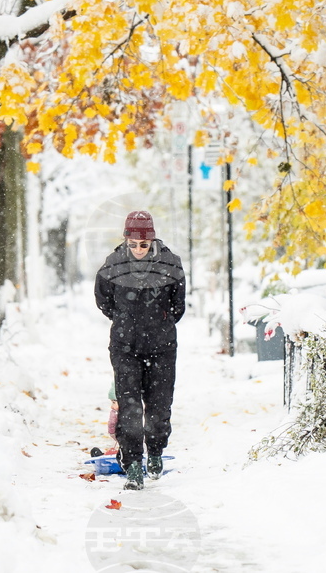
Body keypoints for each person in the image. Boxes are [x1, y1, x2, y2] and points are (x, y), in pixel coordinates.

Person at [95, 210, 186, 490]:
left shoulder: (170, 264)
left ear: (152, 240)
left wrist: (159, 321)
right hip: (125, 347)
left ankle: (156, 450)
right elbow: (103, 301)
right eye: (133, 245)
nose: (137, 250)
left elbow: (178, 305)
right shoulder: (112, 264)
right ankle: (133, 464)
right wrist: (126, 321)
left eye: (143, 245)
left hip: (162, 346)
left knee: (159, 407)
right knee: (130, 408)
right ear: (126, 241)